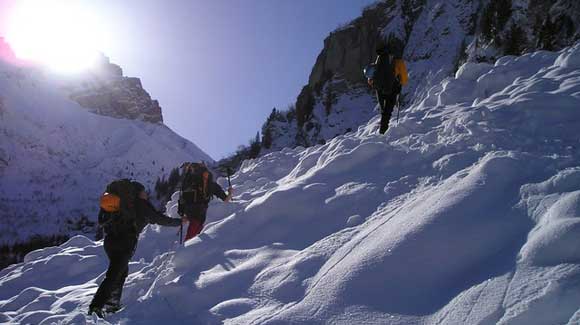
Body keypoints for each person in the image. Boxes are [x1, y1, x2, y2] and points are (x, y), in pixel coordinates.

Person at [89, 180, 183, 318]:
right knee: (114, 274)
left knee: (120, 271)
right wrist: (179, 222)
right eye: (144, 191)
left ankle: (112, 304)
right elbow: (158, 218)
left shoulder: (119, 204)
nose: (146, 194)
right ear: (138, 193)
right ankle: (96, 307)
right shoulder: (140, 204)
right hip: (125, 242)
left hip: (110, 241)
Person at [178, 162, 233, 241]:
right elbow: (226, 199)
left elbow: (182, 196)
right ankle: (186, 249)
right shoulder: (210, 184)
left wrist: (181, 212)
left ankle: (189, 247)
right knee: (194, 232)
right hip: (200, 211)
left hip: (188, 210)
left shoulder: (188, 182)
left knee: (194, 230)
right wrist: (230, 192)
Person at [367, 41, 408, 134]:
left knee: (383, 109)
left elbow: (373, 74)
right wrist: (399, 82)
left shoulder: (380, 58)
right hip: (392, 87)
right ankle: (383, 131)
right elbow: (404, 79)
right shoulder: (398, 60)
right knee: (388, 110)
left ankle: (382, 128)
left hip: (379, 88)